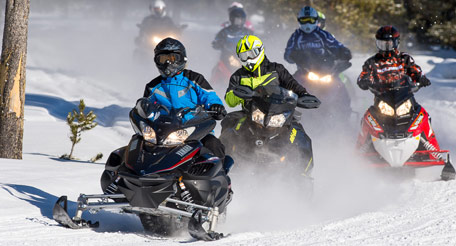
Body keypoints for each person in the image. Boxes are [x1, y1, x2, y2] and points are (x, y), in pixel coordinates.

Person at [224, 35, 318, 173]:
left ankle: (303, 173)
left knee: (300, 134)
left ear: (260, 50)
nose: (248, 58)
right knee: (229, 127)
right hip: (251, 114)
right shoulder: (238, 76)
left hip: (279, 114)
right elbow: (229, 99)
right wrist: (239, 94)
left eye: (252, 53)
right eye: (244, 56)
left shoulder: (277, 69)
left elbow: (293, 85)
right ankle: (224, 168)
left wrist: (304, 95)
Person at [141, 38, 227, 158]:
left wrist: (215, 106)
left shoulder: (194, 79)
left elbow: (209, 96)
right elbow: (145, 108)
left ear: (182, 59)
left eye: (172, 58)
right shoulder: (153, 86)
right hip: (163, 132)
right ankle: (126, 168)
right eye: (163, 59)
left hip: (194, 129)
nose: (168, 63)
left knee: (212, 144)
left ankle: (219, 174)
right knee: (138, 142)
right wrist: (142, 110)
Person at [356, 25, 437, 151]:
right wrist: (365, 82)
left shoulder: (404, 59)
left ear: (396, 43)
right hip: (382, 99)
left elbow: (415, 71)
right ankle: (360, 151)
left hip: (405, 97)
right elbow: (363, 76)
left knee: (422, 115)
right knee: (367, 118)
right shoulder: (372, 62)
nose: (386, 48)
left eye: (388, 44)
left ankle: (433, 151)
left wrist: (421, 79)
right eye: (382, 44)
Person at [284, 6, 351, 70]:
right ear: (299, 21)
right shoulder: (296, 36)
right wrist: (295, 56)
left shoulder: (323, 34)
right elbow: (287, 54)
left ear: (316, 20)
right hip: (304, 71)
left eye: (311, 20)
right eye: (304, 20)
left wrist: (342, 51)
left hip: (326, 69)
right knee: (292, 80)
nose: (308, 23)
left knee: (338, 81)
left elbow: (334, 44)